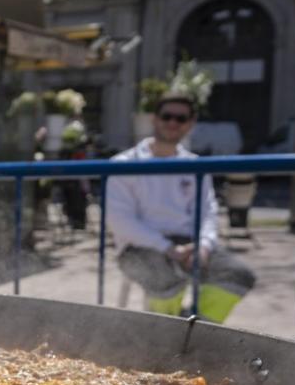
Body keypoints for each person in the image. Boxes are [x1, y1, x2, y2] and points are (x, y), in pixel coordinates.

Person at [105, 89, 256, 322]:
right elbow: (121, 222)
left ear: (191, 123)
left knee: (239, 274)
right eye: (167, 116)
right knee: (165, 276)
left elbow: (208, 211)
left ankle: (197, 331)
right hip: (138, 248)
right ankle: (162, 335)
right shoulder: (123, 164)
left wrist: (204, 246)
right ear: (154, 119)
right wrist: (168, 248)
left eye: (181, 118)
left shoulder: (194, 164)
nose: (172, 123)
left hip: (190, 245)